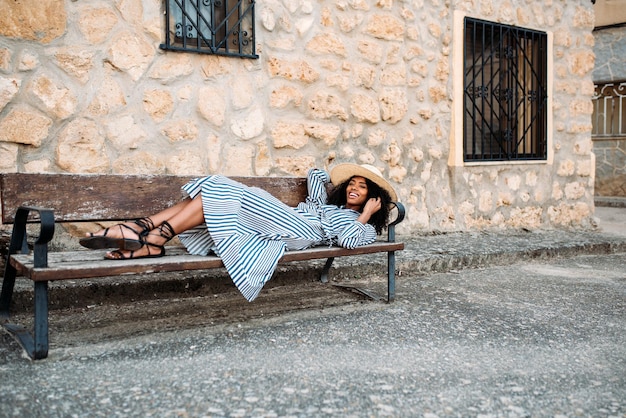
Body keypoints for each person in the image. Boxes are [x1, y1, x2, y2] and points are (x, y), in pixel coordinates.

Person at [79, 163, 397, 301]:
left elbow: (348, 240)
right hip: (289, 218)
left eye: (362, 186)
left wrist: (367, 213)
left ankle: (144, 231)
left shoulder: (365, 228)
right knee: (212, 194)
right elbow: (316, 175)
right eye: (352, 184)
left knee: (222, 187)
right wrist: (338, 175)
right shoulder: (326, 203)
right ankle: (151, 235)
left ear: (373, 197)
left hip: (301, 231)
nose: (355, 188)